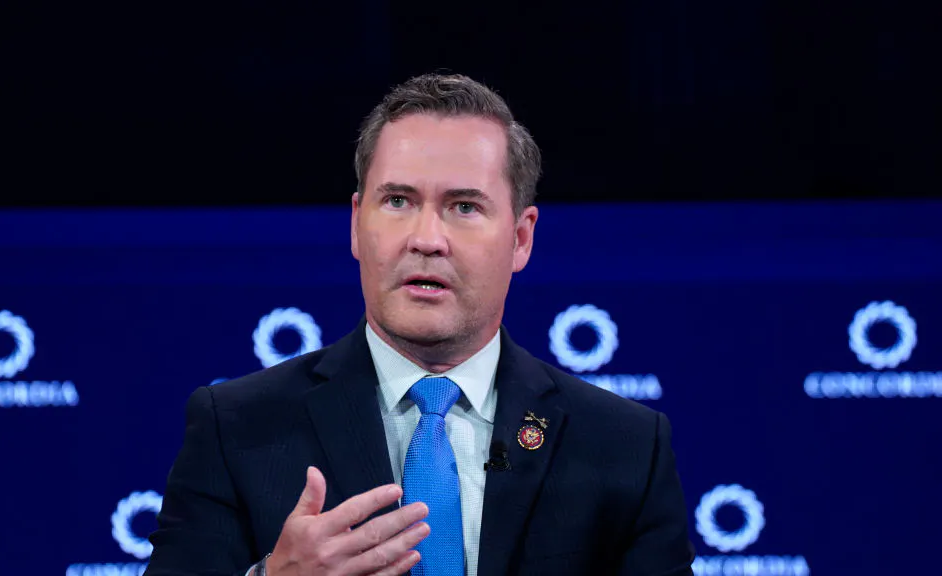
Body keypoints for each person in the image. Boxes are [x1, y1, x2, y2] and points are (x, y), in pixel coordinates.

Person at [144, 73, 695, 576]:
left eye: (463, 207)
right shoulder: (237, 427)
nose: (426, 238)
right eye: (399, 200)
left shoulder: (623, 446)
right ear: (357, 225)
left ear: (521, 237)